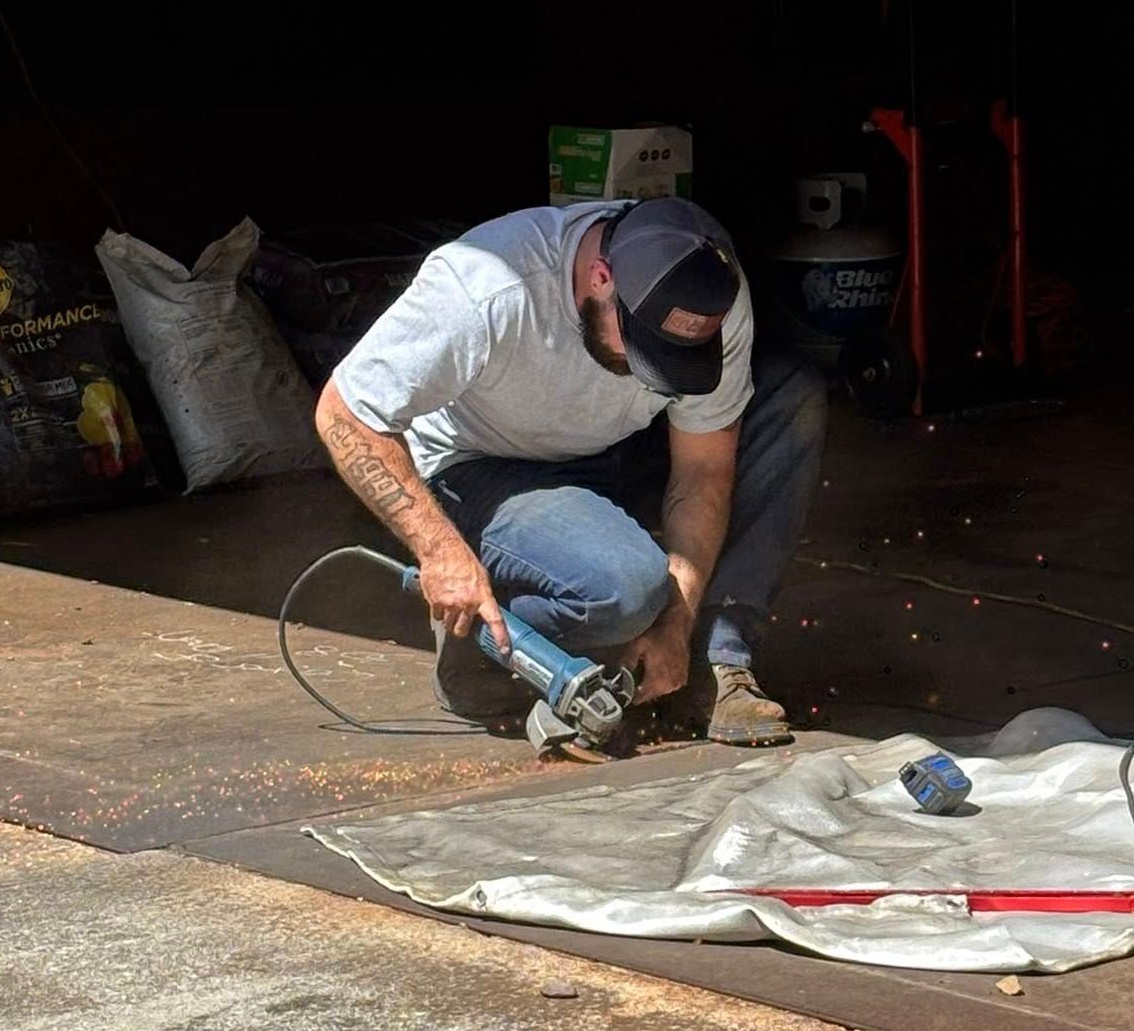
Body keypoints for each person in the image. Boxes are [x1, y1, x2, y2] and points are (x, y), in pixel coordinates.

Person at [315, 196, 826, 745]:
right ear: (601, 277)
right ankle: (484, 653)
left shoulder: (709, 295)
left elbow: (703, 469)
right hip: (486, 465)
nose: (647, 371)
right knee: (626, 590)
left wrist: (677, 620)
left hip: (619, 444)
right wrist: (441, 553)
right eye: (641, 347)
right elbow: (346, 411)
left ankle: (715, 656)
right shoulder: (485, 286)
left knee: (787, 396)